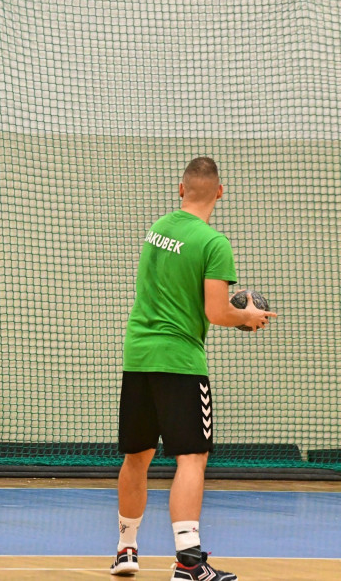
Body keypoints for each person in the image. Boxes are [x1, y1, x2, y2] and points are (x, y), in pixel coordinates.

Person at [111, 157, 277, 580]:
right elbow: (217, 312)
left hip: (138, 356)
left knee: (137, 456)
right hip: (180, 361)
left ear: (180, 189)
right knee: (192, 457)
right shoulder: (213, 243)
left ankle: (126, 549)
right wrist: (249, 316)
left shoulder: (158, 230)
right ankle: (189, 564)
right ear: (220, 193)